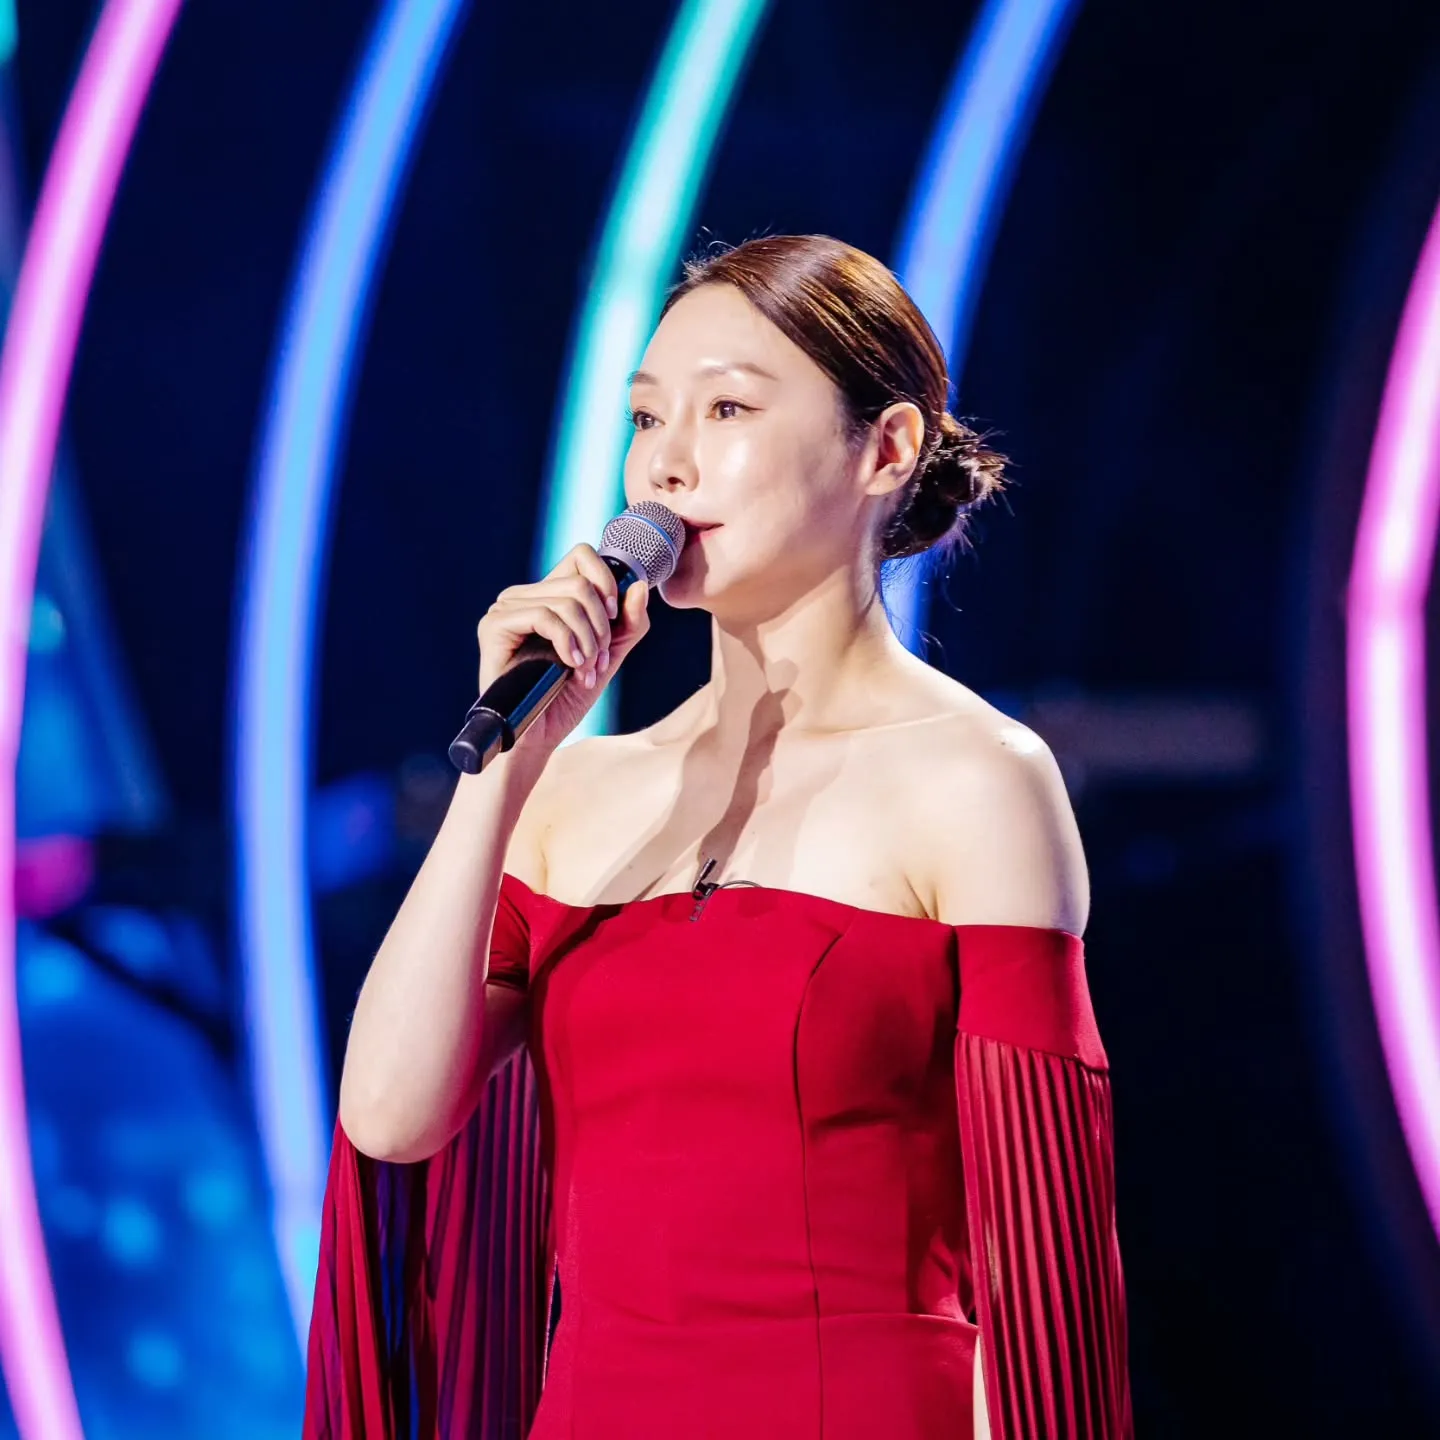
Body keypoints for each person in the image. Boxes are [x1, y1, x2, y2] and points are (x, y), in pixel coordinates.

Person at [303, 234, 1131, 1439]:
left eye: (727, 408)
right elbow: (388, 1116)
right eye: (647, 418)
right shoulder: (576, 794)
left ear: (886, 448)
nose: (667, 462)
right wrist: (504, 772)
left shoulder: (974, 780)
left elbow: (1043, 1269)